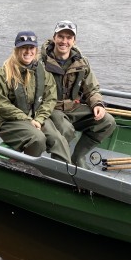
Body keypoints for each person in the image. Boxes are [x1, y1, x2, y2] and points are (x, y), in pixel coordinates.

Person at [41, 20, 116, 168]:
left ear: (74, 41)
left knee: (107, 122)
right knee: (65, 129)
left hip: (73, 108)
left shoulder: (81, 62)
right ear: (54, 37)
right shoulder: (40, 61)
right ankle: (59, 164)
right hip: (50, 109)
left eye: (69, 38)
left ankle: (78, 156)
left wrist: (97, 104)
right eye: (61, 36)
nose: (64, 41)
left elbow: (92, 88)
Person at [0, 31, 72, 162]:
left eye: (31, 48)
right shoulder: (3, 73)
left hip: (36, 117)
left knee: (57, 139)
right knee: (38, 139)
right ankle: (23, 167)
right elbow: (1, 104)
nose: (28, 51)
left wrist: (39, 119)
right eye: (24, 47)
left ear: (36, 50)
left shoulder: (43, 72)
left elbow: (50, 98)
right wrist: (27, 120)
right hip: (10, 121)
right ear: (17, 49)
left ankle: (64, 172)